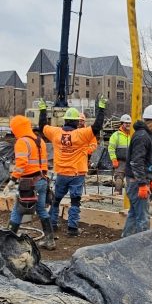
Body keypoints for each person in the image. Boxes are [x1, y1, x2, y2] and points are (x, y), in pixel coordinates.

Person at [41, 98, 107, 237]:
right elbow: (97, 127)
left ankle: (52, 223)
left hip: (61, 173)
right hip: (77, 173)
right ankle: (72, 228)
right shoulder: (81, 134)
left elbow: (42, 126)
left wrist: (42, 110)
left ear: (65, 120)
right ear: (77, 122)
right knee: (75, 201)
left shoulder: (56, 133)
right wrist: (101, 109)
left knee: (56, 200)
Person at [7, 114, 55, 249]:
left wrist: (13, 179)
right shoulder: (40, 141)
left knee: (18, 210)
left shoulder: (22, 142)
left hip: (29, 183)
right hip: (43, 180)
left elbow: (21, 163)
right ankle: (50, 240)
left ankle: (7, 241)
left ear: (16, 128)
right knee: (41, 210)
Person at [122, 104, 152, 238]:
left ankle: (126, 241)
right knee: (143, 218)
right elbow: (137, 161)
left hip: (137, 181)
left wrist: (150, 180)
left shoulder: (144, 135)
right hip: (136, 182)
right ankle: (143, 246)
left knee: (134, 214)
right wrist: (142, 184)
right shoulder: (142, 136)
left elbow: (145, 161)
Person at [108, 114, 133, 194]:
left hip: (131, 161)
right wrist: (114, 160)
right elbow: (111, 149)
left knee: (132, 179)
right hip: (120, 161)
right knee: (119, 177)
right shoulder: (116, 136)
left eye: (129, 123)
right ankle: (117, 194)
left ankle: (130, 196)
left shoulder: (133, 135)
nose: (128, 124)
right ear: (122, 124)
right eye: (126, 123)